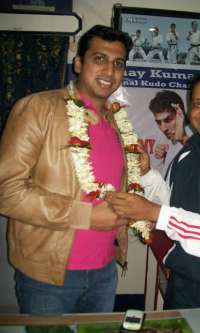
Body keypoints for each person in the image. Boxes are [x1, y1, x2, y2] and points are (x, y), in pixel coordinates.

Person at [0, 25, 134, 314]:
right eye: (99, 59)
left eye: (118, 63)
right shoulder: (37, 109)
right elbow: (6, 192)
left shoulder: (117, 123)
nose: (109, 71)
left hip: (105, 271)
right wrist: (85, 215)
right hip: (48, 277)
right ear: (78, 63)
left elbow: (110, 188)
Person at [106, 66, 200, 333]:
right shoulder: (186, 155)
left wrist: (154, 213)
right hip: (182, 284)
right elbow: (172, 206)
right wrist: (148, 174)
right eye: (198, 104)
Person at [149, 90, 189, 175]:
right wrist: (167, 157)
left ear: (180, 115)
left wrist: (183, 139)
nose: (163, 128)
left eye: (168, 120)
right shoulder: (172, 141)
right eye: (159, 123)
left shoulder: (199, 136)